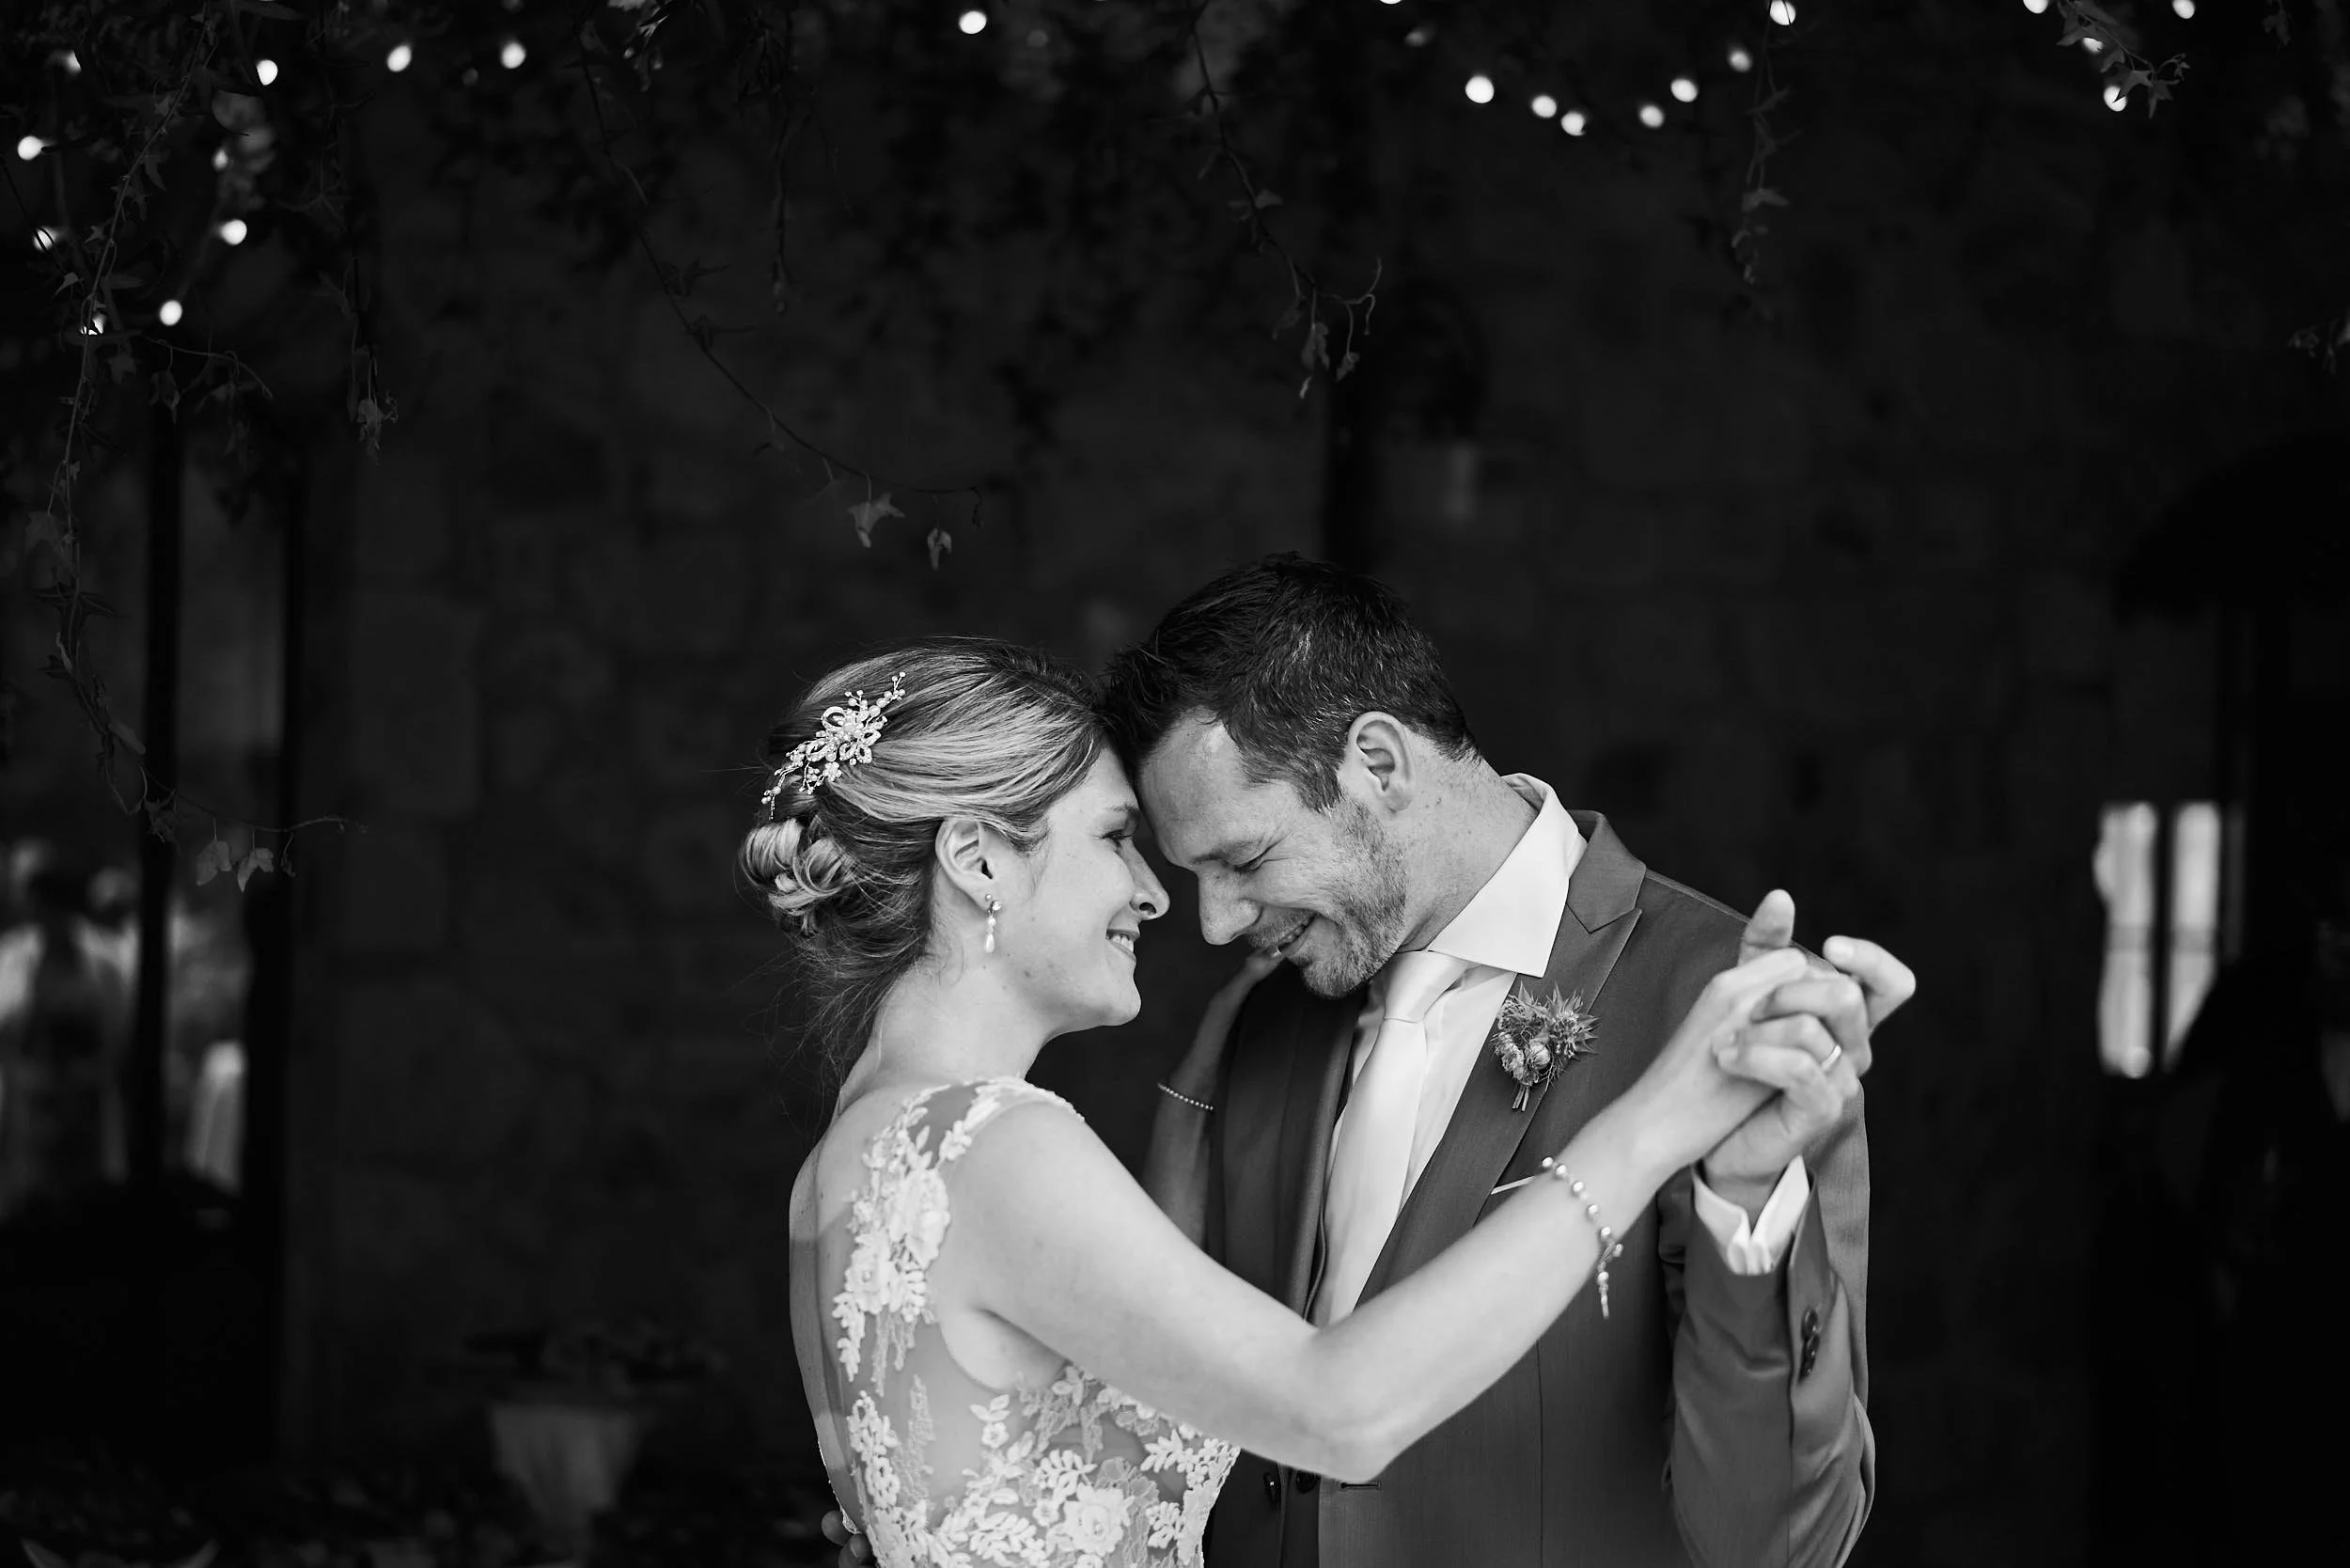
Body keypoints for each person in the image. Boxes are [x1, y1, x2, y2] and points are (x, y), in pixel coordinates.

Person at [760, 637, 1910, 1568]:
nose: (1175, 908)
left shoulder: (845, 1165)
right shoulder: (999, 1147)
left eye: (1229, 861)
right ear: (976, 859)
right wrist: (1657, 1121)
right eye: (1118, 838)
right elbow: (1333, 1409)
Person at [1095, 555, 1894, 1568]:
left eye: (1244, 862)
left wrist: (1743, 1206)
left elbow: (1780, 1545)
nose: (1215, 925)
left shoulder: (1720, 1012)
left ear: (1377, 764)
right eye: (1195, 876)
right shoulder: (1267, 1014)